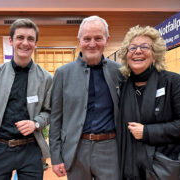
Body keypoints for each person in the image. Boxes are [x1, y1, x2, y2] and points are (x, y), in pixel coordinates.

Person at [49, 15, 122, 180]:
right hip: (76, 149)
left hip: (110, 148)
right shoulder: (63, 73)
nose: (92, 44)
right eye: (87, 38)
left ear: (107, 39)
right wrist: (56, 156)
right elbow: (55, 118)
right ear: (79, 40)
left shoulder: (119, 71)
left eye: (98, 38)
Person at [116, 25, 180, 179]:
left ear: (155, 54)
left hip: (165, 167)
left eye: (145, 47)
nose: (138, 51)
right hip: (129, 168)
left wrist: (147, 132)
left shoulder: (172, 82)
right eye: (133, 48)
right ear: (126, 55)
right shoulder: (121, 86)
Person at [0, 19, 52, 180]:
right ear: (11, 41)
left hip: (31, 149)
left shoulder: (46, 78)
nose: (25, 43)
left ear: (36, 43)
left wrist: (36, 123)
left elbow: (50, 111)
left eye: (30, 39)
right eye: (20, 37)